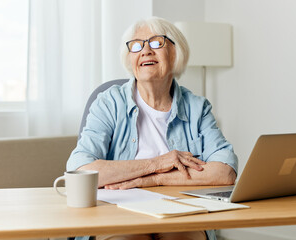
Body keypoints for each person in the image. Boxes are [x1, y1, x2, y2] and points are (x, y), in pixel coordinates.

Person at [67, 17, 238, 240]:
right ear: (130, 58)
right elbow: (80, 168)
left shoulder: (197, 107)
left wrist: (155, 178)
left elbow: (225, 172)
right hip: (118, 213)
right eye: (137, 45)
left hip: (181, 212)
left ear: (176, 53)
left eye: (156, 42)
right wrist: (158, 163)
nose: (146, 50)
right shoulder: (108, 103)